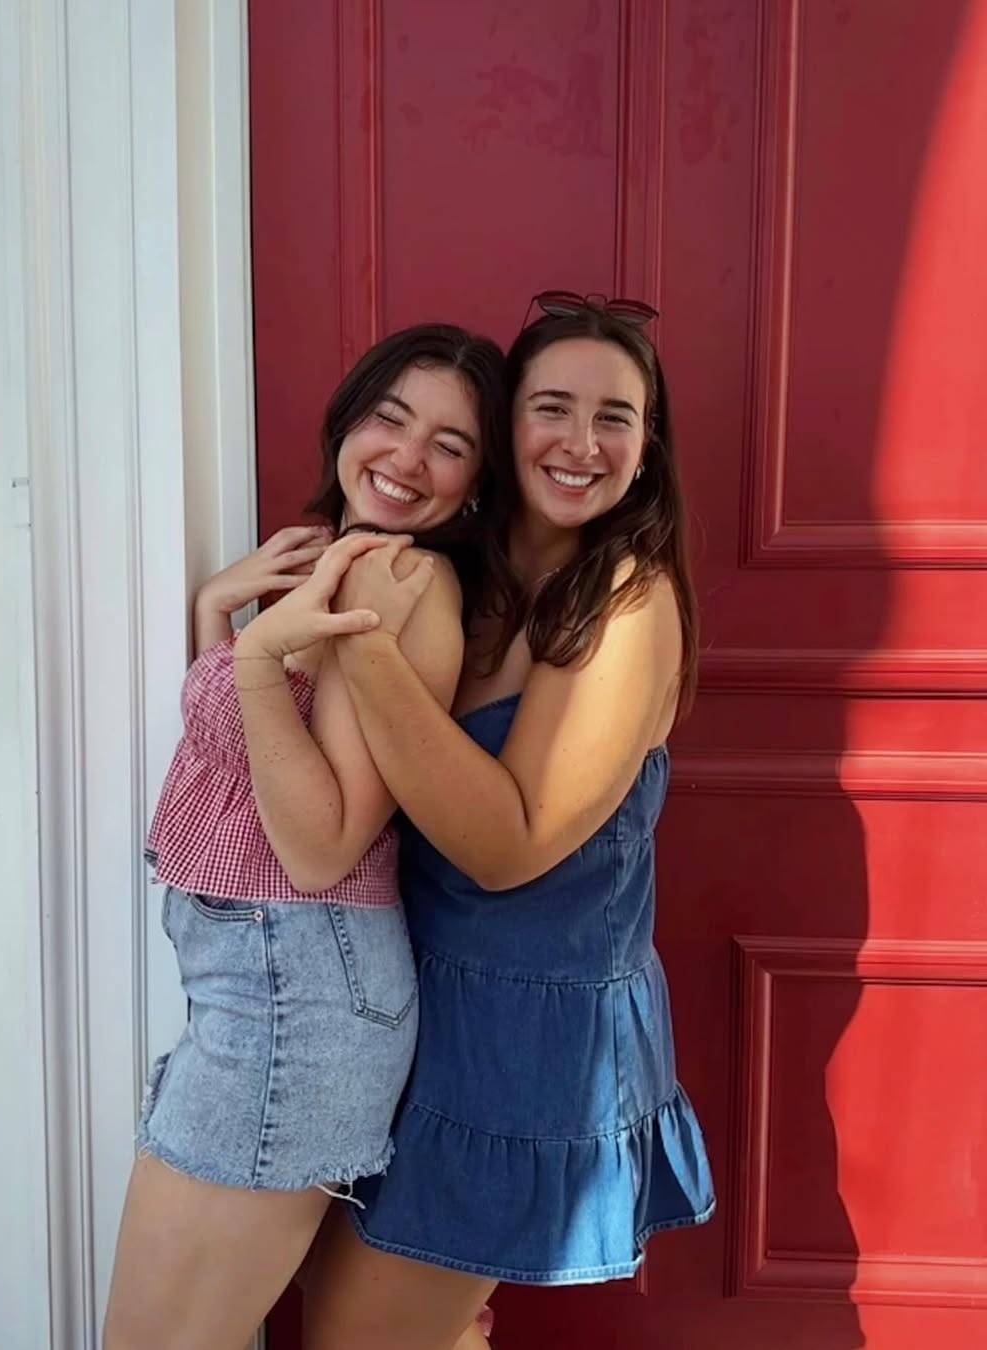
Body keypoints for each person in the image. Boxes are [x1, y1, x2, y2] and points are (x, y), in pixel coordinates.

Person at [302, 294, 717, 1350]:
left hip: (527, 1041)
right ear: (505, 427)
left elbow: (505, 848)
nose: (581, 443)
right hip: (410, 1004)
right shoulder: (465, 576)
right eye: (552, 408)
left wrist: (357, 635)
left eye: (615, 417)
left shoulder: (627, 598)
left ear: (647, 447)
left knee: (357, 1338)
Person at [102, 324, 508, 1350]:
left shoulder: (397, 586)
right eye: (390, 417)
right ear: (348, 420)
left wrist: (252, 660)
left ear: (476, 486)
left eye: (450, 445)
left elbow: (322, 845)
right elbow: (253, 771)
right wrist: (219, 615)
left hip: (293, 991)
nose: (407, 458)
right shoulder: (342, 564)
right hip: (271, 985)